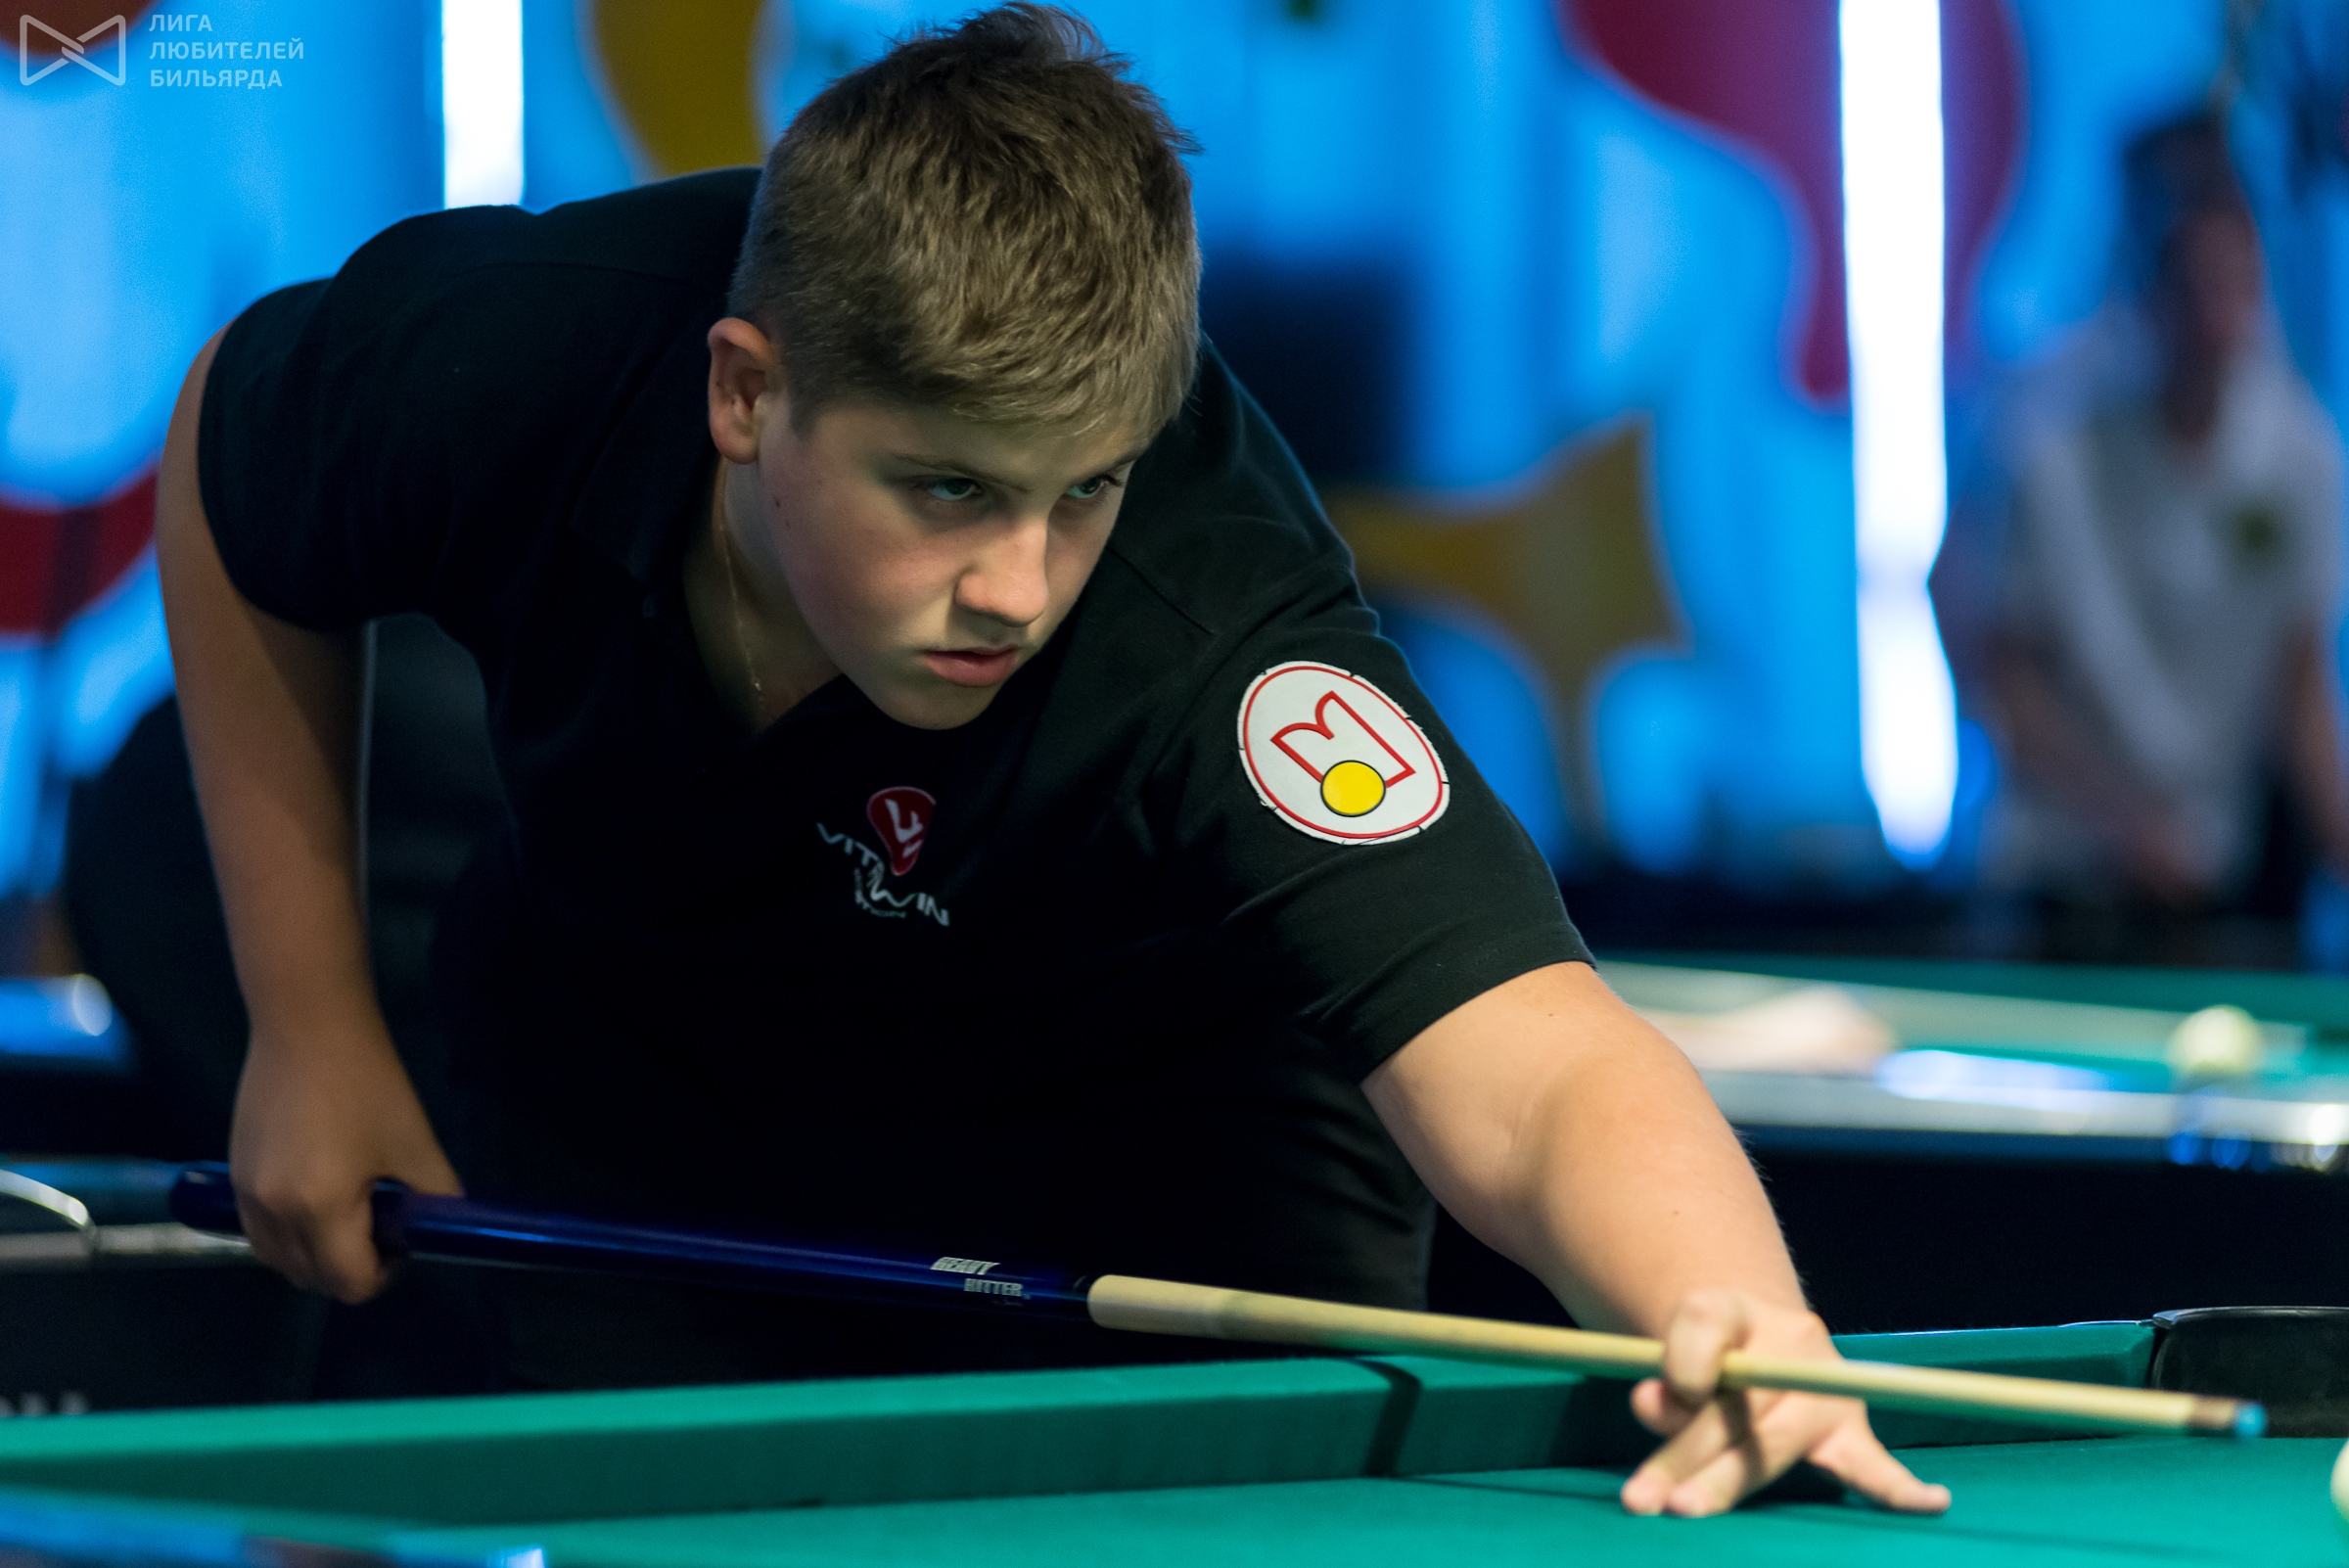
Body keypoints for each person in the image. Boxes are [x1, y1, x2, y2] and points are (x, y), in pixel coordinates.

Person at [156, 7, 1946, 1517]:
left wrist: (1736, 1303)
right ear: (747, 394)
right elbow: (234, 458)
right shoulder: (517, 354)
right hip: (641, 1083)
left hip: (1168, 1153)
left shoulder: (1218, 625)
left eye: (1080, 488)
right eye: (946, 488)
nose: (1017, 585)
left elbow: (1537, 1062)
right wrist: (305, 1028)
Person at [1961, 114, 2349, 948]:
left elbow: (2299, 678)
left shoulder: (2299, 453)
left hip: (2211, 882)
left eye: (2234, 284)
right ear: (2140, 277)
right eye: (2192, 285)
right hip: (2055, 889)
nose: (2215, 317)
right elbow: (1998, 669)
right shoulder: (2041, 437)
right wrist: (2123, 824)